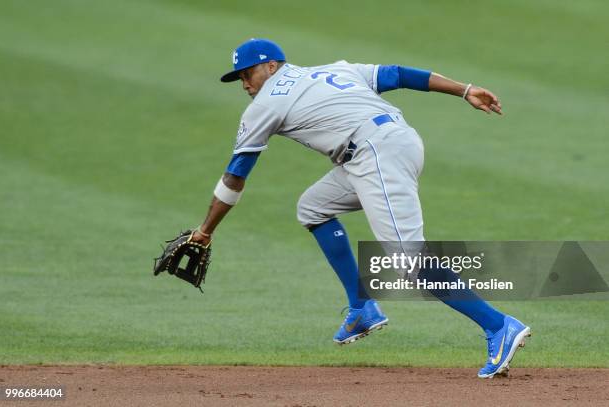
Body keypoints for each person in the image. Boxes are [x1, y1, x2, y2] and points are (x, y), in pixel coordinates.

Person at [191, 38, 530, 378]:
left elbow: (235, 176)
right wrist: (464, 89)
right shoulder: (332, 70)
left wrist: (205, 231)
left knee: (409, 260)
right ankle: (362, 307)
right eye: (239, 78)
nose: (245, 84)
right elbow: (397, 75)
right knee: (312, 208)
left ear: (271, 66)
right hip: (397, 143)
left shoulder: (265, 106)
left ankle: (499, 326)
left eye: (248, 73)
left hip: (376, 155)